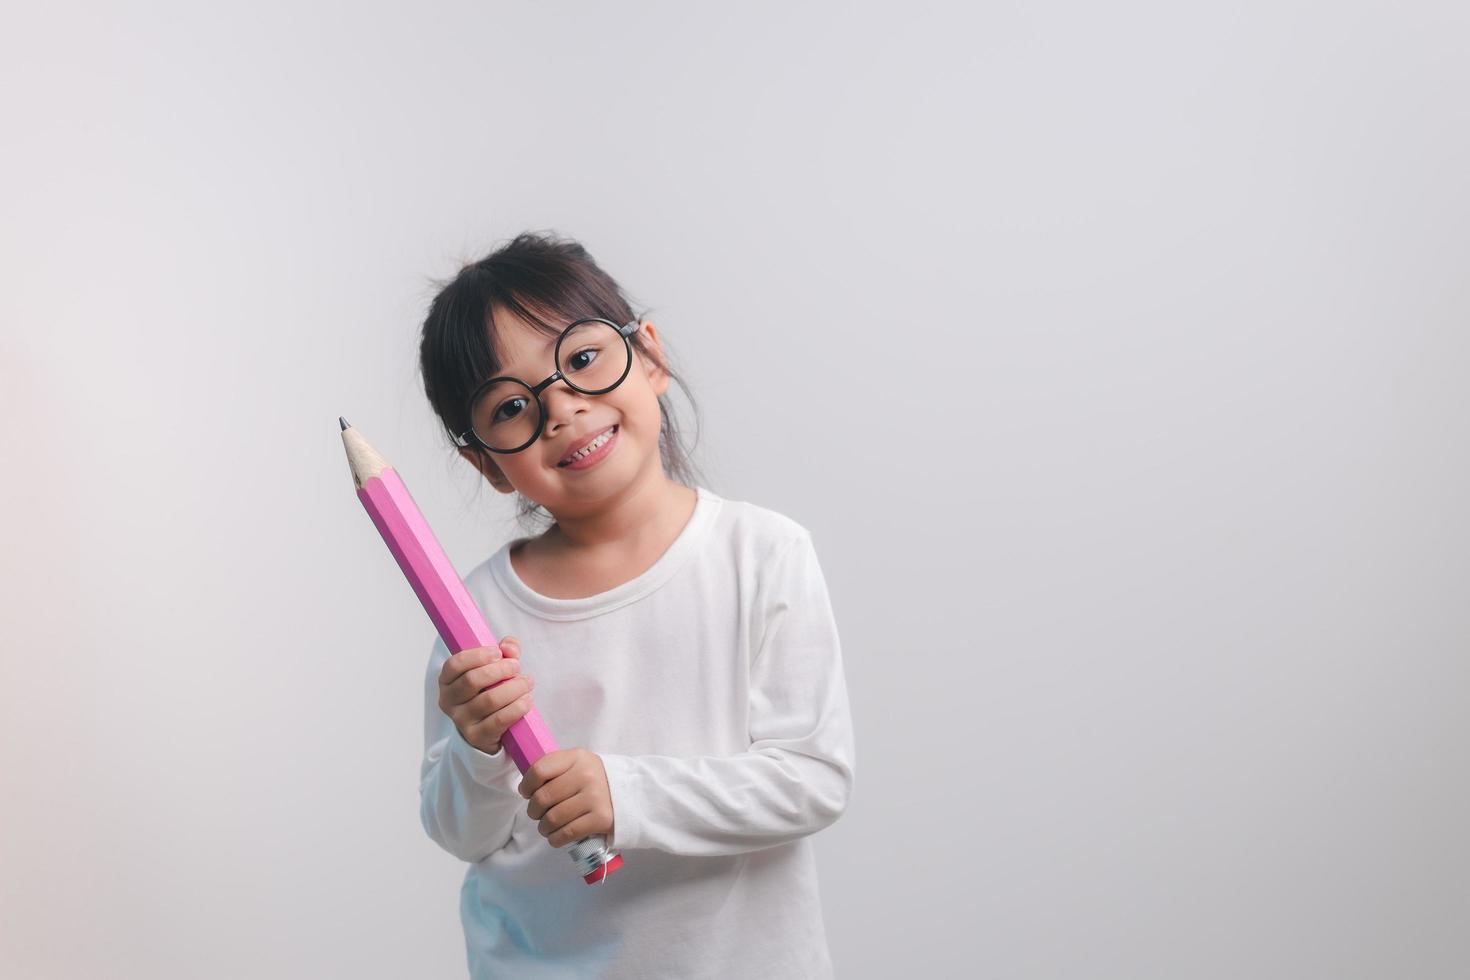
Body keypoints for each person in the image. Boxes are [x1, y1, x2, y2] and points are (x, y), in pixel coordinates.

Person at [415, 231, 856, 979]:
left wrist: (625, 792)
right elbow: (463, 834)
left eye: (582, 360)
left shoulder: (762, 554)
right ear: (484, 463)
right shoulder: (474, 610)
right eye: (512, 406)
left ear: (648, 355)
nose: (561, 409)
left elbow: (812, 780)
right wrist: (477, 749)